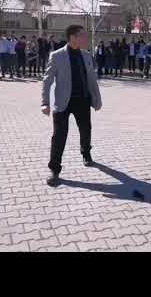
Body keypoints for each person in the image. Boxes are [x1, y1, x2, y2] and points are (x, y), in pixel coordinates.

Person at [41, 25, 102, 187]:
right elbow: (47, 80)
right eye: (82, 35)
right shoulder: (57, 56)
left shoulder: (86, 55)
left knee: (86, 129)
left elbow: (92, 79)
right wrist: (45, 102)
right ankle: (55, 170)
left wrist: (97, 99)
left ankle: (86, 153)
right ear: (73, 37)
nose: (86, 38)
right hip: (63, 103)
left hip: (82, 100)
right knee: (59, 136)